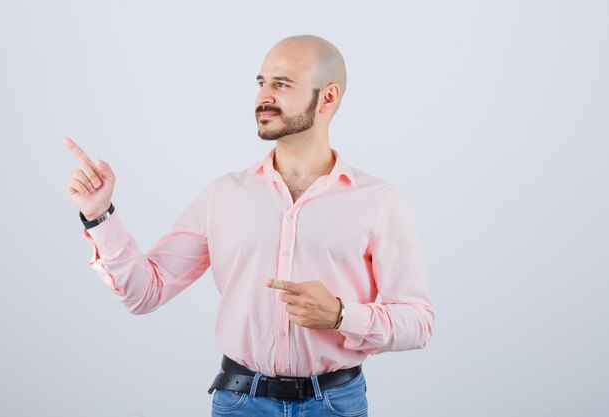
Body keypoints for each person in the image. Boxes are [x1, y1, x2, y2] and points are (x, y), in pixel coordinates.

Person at [64, 34, 435, 417]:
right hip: (241, 402)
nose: (264, 96)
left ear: (328, 97)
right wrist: (100, 215)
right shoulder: (223, 195)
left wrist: (342, 315)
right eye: (261, 83)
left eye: (282, 84)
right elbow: (145, 293)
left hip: (336, 404)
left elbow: (418, 322)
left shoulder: (379, 202)